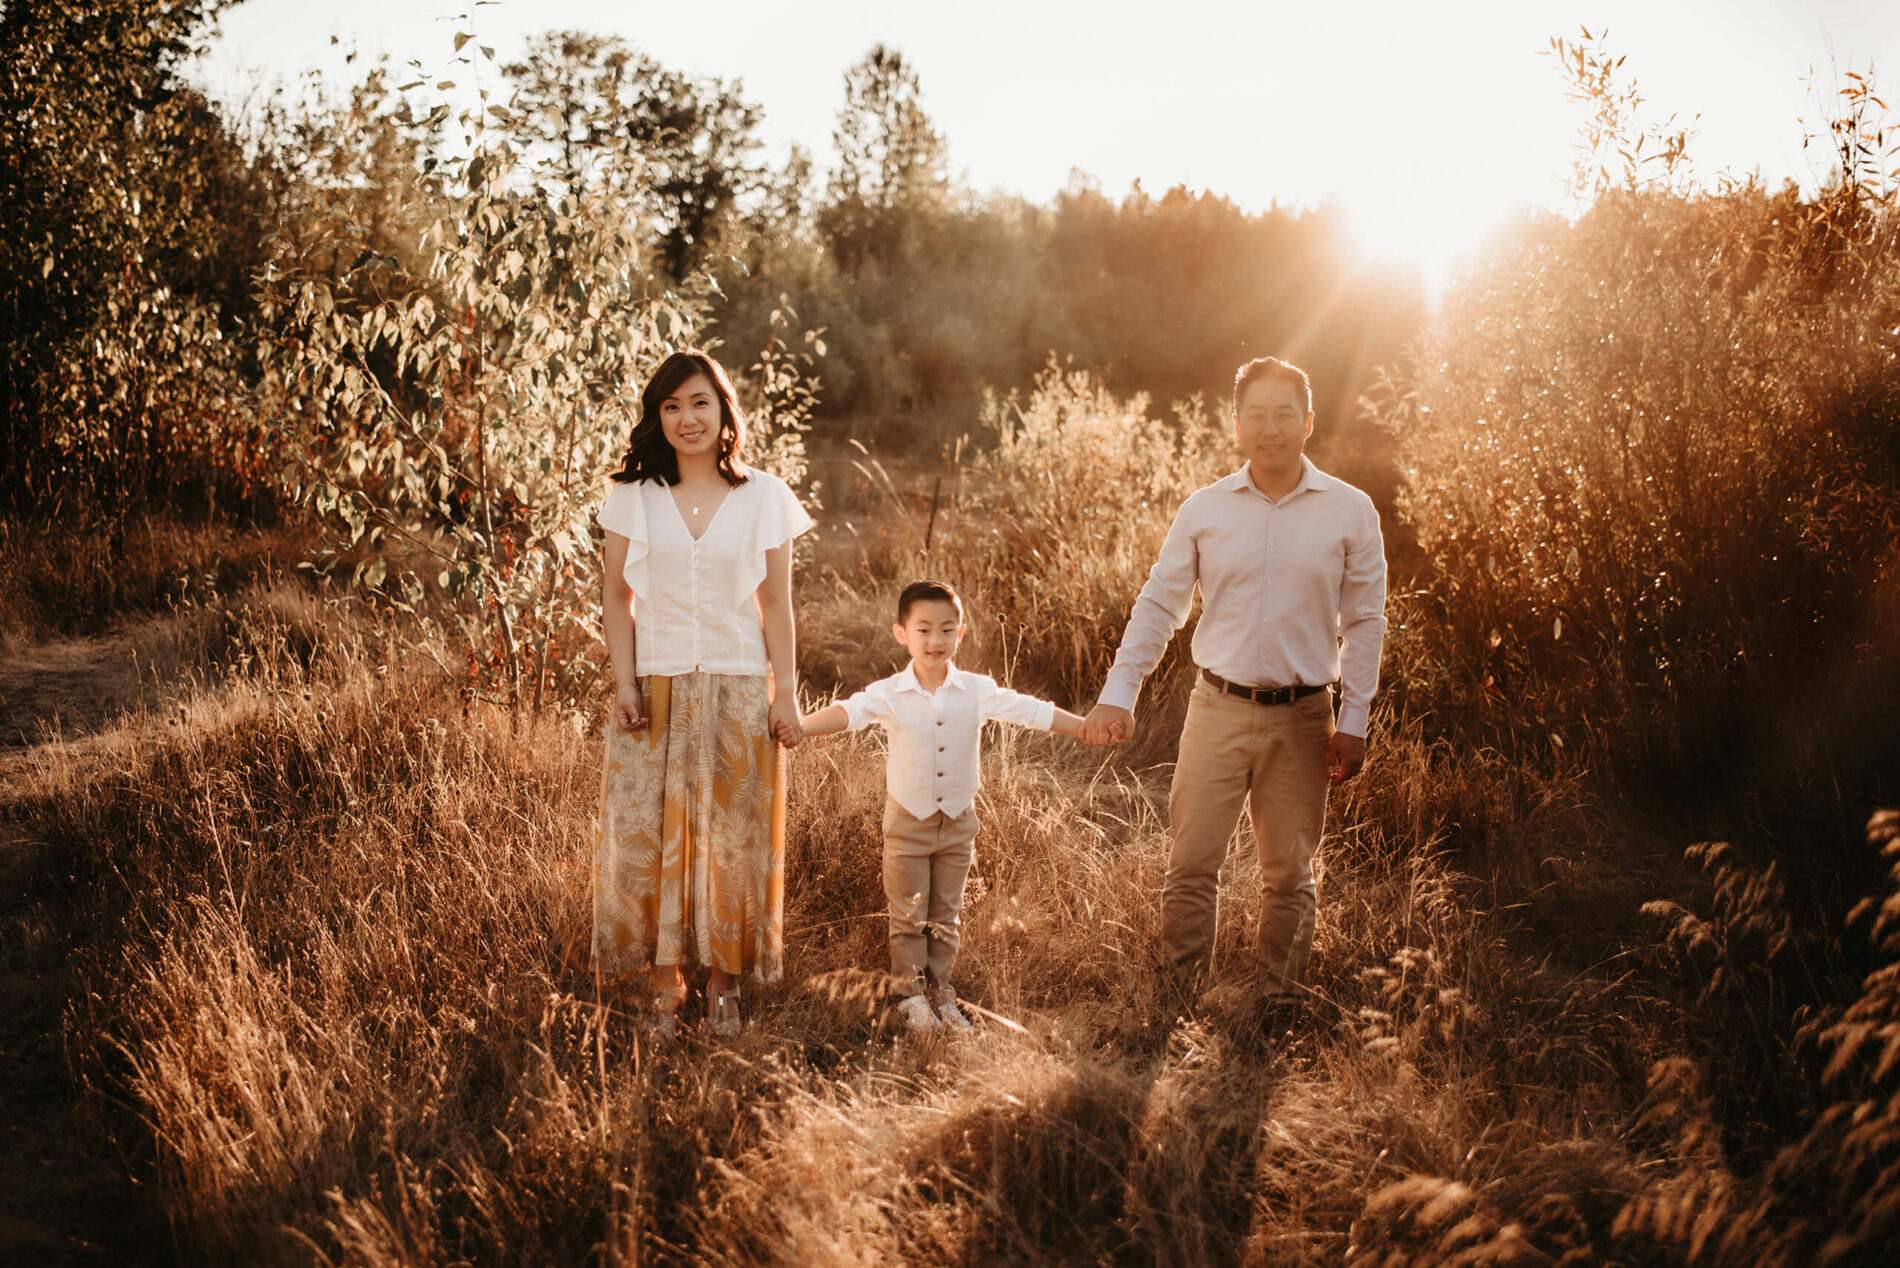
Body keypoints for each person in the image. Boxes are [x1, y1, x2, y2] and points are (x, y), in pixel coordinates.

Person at [1081, 356, 1387, 1029]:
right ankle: (1175, 1007)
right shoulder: (1205, 509)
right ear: (1237, 424)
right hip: (1216, 709)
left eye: (1285, 414)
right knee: (1190, 866)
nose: (1270, 428)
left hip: (1306, 719)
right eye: (1257, 415)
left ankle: (1276, 1010)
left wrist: (1355, 718)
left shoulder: (1350, 512)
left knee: (1289, 876)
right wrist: (1119, 691)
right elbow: (1160, 604)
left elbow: (1365, 622)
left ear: (1307, 422)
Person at [594, 348, 813, 1038]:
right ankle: (664, 984)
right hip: (654, 688)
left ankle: (724, 986)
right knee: (647, 833)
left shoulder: (765, 497)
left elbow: (777, 605)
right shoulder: (631, 496)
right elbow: (616, 596)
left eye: (699, 403)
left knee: (734, 842)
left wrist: (786, 694)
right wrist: (625, 682)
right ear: (657, 419)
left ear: (724, 414)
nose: (686, 418)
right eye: (671, 406)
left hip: (741, 685)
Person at [787, 580, 1094, 1032]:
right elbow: (848, 712)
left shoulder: (975, 689)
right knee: (908, 915)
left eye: (947, 630)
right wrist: (800, 727)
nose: (936, 641)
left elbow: (1030, 709)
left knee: (946, 915)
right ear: (902, 633)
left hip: (957, 823)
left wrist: (1084, 727)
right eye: (925, 630)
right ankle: (910, 998)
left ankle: (941, 994)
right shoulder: (890, 692)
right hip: (907, 823)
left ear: (960, 634)